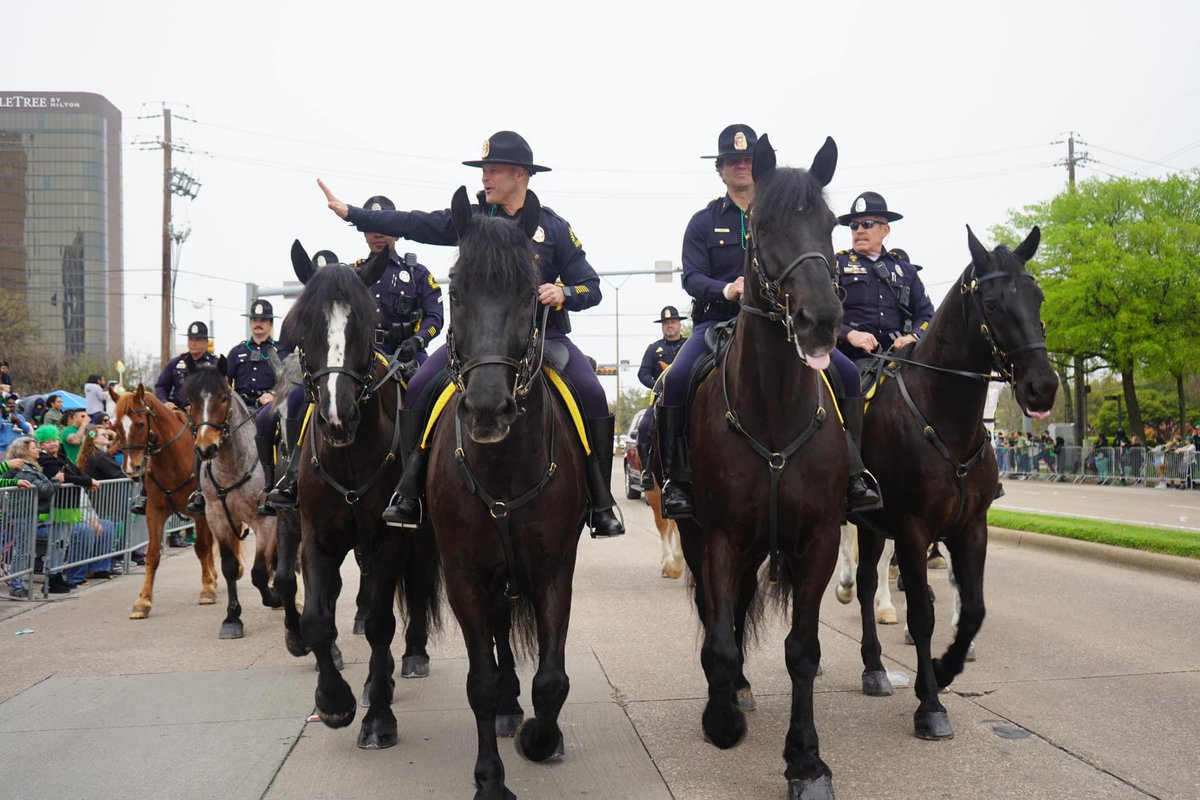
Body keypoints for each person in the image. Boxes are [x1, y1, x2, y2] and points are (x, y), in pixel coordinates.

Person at [318, 130, 624, 537]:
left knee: (592, 394)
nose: (485, 178)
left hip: (543, 339)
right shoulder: (471, 222)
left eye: (493, 170)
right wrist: (355, 214)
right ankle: (410, 488)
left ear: (520, 174)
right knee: (420, 387)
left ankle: (600, 501)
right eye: (483, 170)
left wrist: (563, 293)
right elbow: (412, 223)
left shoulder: (552, 228)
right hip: (475, 343)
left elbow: (592, 286)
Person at [656, 124, 879, 519]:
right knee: (675, 380)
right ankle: (678, 478)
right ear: (720, 170)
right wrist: (727, 289)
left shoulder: (786, 212)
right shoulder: (704, 221)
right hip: (718, 323)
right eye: (732, 161)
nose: (741, 166)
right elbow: (691, 277)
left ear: (757, 167)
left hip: (782, 322)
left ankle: (853, 473)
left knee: (846, 375)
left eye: (746, 160)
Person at [834, 191, 935, 365]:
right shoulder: (836, 265)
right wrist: (849, 334)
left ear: (885, 230)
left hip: (898, 359)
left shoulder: (906, 270)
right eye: (854, 226)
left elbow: (926, 315)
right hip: (848, 357)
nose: (859, 231)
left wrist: (913, 336)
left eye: (867, 224)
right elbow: (818, 315)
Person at [34, 425, 116, 584]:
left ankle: (98, 569)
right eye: (48, 442)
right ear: (41, 445)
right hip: (52, 516)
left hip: (70, 511)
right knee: (83, 530)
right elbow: (65, 477)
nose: (53, 443)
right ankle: (74, 575)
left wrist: (88, 481)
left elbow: (77, 472)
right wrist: (88, 481)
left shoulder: (61, 457)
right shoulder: (45, 461)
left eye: (54, 440)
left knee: (107, 525)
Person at [154, 321, 217, 514]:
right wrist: (164, 402)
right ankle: (145, 493)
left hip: (201, 416)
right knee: (153, 438)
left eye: (198, 339)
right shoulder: (176, 363)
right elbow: (160, 386)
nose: (193, 343)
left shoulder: (213, 364)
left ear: (206, 342)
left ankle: (201, 491)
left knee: (204, 447)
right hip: (176, 412)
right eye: (191, 339)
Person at [229, 299, 282, 516]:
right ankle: (202, 492)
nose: (258, 323)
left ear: (270, 324)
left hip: (267, 408)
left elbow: (289, 380)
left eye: (263, 320)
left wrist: (274, 395)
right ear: (250, 323)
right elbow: (224, 382)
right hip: (239, 408)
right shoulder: (237, 352)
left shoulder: (280, 351)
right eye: (255, 319)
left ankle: (272, 484)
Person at [635, 305, 687, 487]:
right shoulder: (653, 349)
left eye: (672, 322)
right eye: (665, 323)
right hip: (661, 398)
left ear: (679, 324)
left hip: (687, 396)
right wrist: (657, 385)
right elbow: (643, 373)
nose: (669, 326)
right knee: (644, 427)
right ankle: (647, 471)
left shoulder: (689, 346)